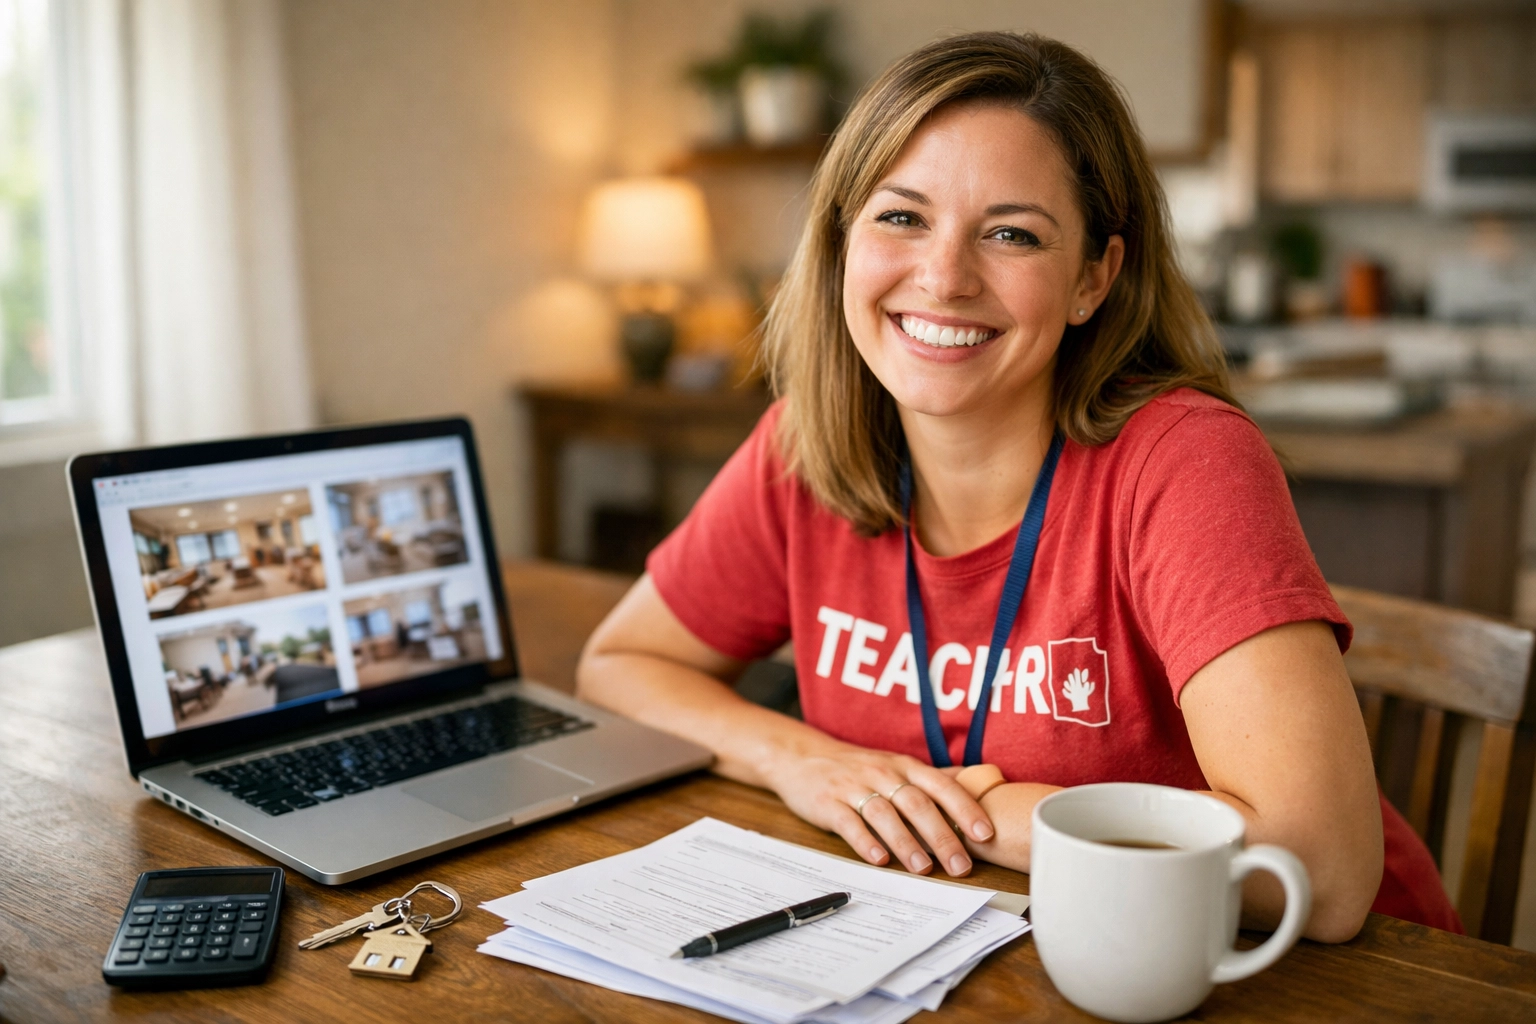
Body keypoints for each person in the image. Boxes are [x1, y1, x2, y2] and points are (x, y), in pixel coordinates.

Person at [577, 31, 1458, 941]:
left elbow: (1323, 868)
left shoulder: (1185, 462)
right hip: (985, 943)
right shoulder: (806, 445)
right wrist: (807, 761)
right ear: (842, 239)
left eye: (1011, 234)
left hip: (1305, 973)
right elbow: (621, 664)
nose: (944, 277)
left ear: (1092, 278)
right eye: (901, 217)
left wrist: (991, 817)